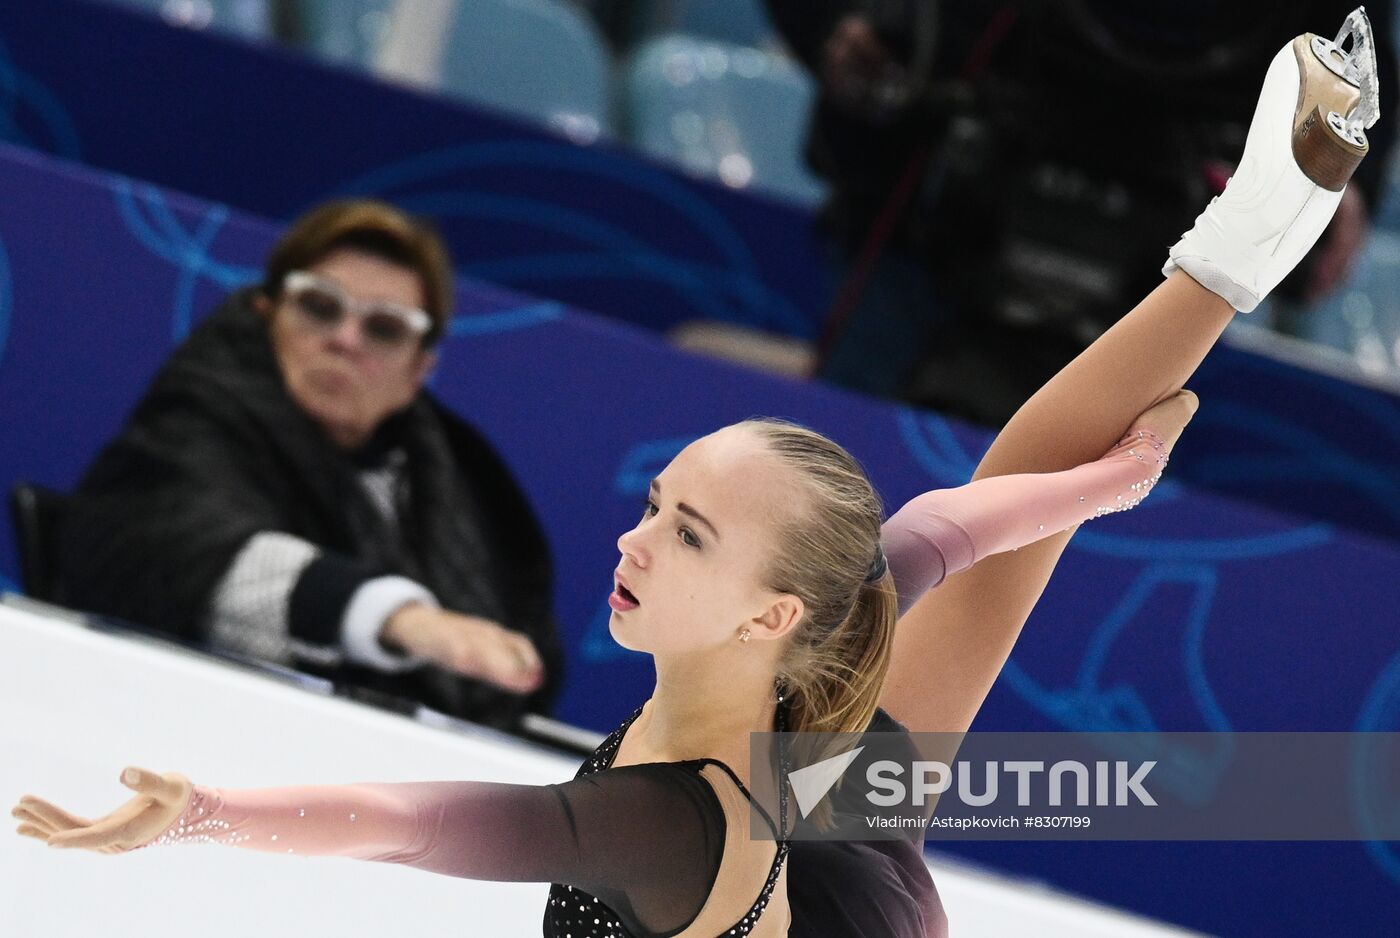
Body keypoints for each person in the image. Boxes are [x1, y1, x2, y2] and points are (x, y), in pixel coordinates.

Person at [13, 11, 1380, 936]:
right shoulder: (802, 699)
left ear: (767, 611)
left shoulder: (662, 821)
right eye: (661, 506)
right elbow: (936, 529)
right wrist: (1090, 493)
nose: (638, 539)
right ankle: (1238, 250)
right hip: (839, 837)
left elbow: (418, 817)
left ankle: (1238, 245)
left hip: (830, 857)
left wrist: (203, 811)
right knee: (1013, 488)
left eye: (688, 532)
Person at [764, 0, 1395, 427]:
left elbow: (1357, 38)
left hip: (1166, 233)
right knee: (838, 499)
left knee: (1080, 527)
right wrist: (838, 31)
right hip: (932, 209)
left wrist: (1348, 171)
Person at [56, 200, 562, 729]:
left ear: (419, 370)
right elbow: (187, 549)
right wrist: (401, 620)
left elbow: (525, 649)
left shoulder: (459, 469)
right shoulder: (197, 413)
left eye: (385, 329)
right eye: (319, 306)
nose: (345, 339)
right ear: (268, 313)